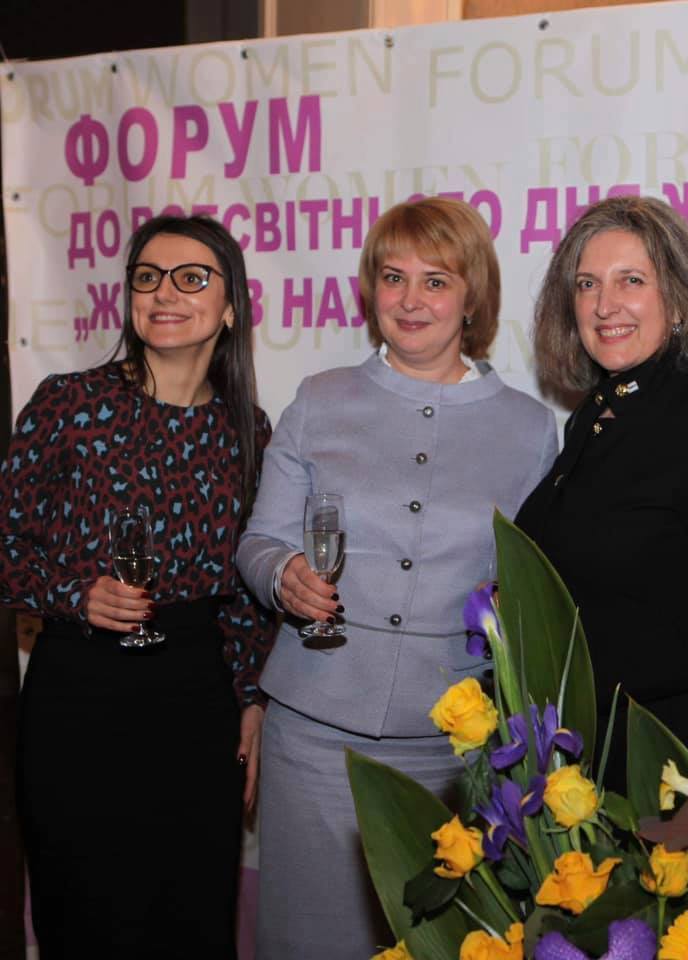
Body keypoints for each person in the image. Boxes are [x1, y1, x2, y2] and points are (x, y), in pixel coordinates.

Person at [236, 196, 558, 960]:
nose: (410, 299)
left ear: (473, 298)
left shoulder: (528, 427)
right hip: (313, 738)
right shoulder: (320, 399)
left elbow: (534, 585)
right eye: (393, 277)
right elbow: (260, 542)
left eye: (436, 281)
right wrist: (284, 575)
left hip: (452, 752)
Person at [3, 215, 275, 959]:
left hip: (199, 703)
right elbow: (6, 543)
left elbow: (247, 591)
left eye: (192, 278)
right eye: (148, 277)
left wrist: (252, 698)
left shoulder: (247, 430)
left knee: (193, 919)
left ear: (230, 307)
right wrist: (73, 594)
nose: (165, 293)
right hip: (80, 696)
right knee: (88, 919)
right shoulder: (68, 404)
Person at [515, 195, 688, 787]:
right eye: (587, 284)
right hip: (591, 762)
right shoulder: (592, 418)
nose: (605, 305)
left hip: (679, 769)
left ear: (678, 298)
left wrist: (585, 678)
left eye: (631, 280)